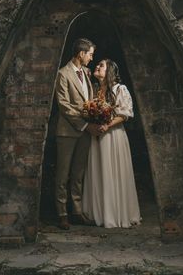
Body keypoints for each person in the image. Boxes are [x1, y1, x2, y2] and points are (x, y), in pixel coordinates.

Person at [83, 59, 141, 228]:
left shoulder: (119, 89)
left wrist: (107, 125)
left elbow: (124, 114)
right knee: (98, 170)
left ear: (109, 71)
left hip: (113, 135)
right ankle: (100, 213)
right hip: (97, 135)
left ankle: (117, 213)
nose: (97, 66)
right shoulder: (93, 89)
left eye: (101, 65)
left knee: (114, 171)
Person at [54, 38, 103, 230]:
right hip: (67, 131)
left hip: (85, 131)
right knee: (62, 174)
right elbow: (64, 106)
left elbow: (88, 102)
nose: (92, 58)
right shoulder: (63, 74)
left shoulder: (87, 72)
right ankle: (62, 214)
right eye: (90, 54)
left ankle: (77, 211)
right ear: (81, 54)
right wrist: (85, 125)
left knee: (78, 173)